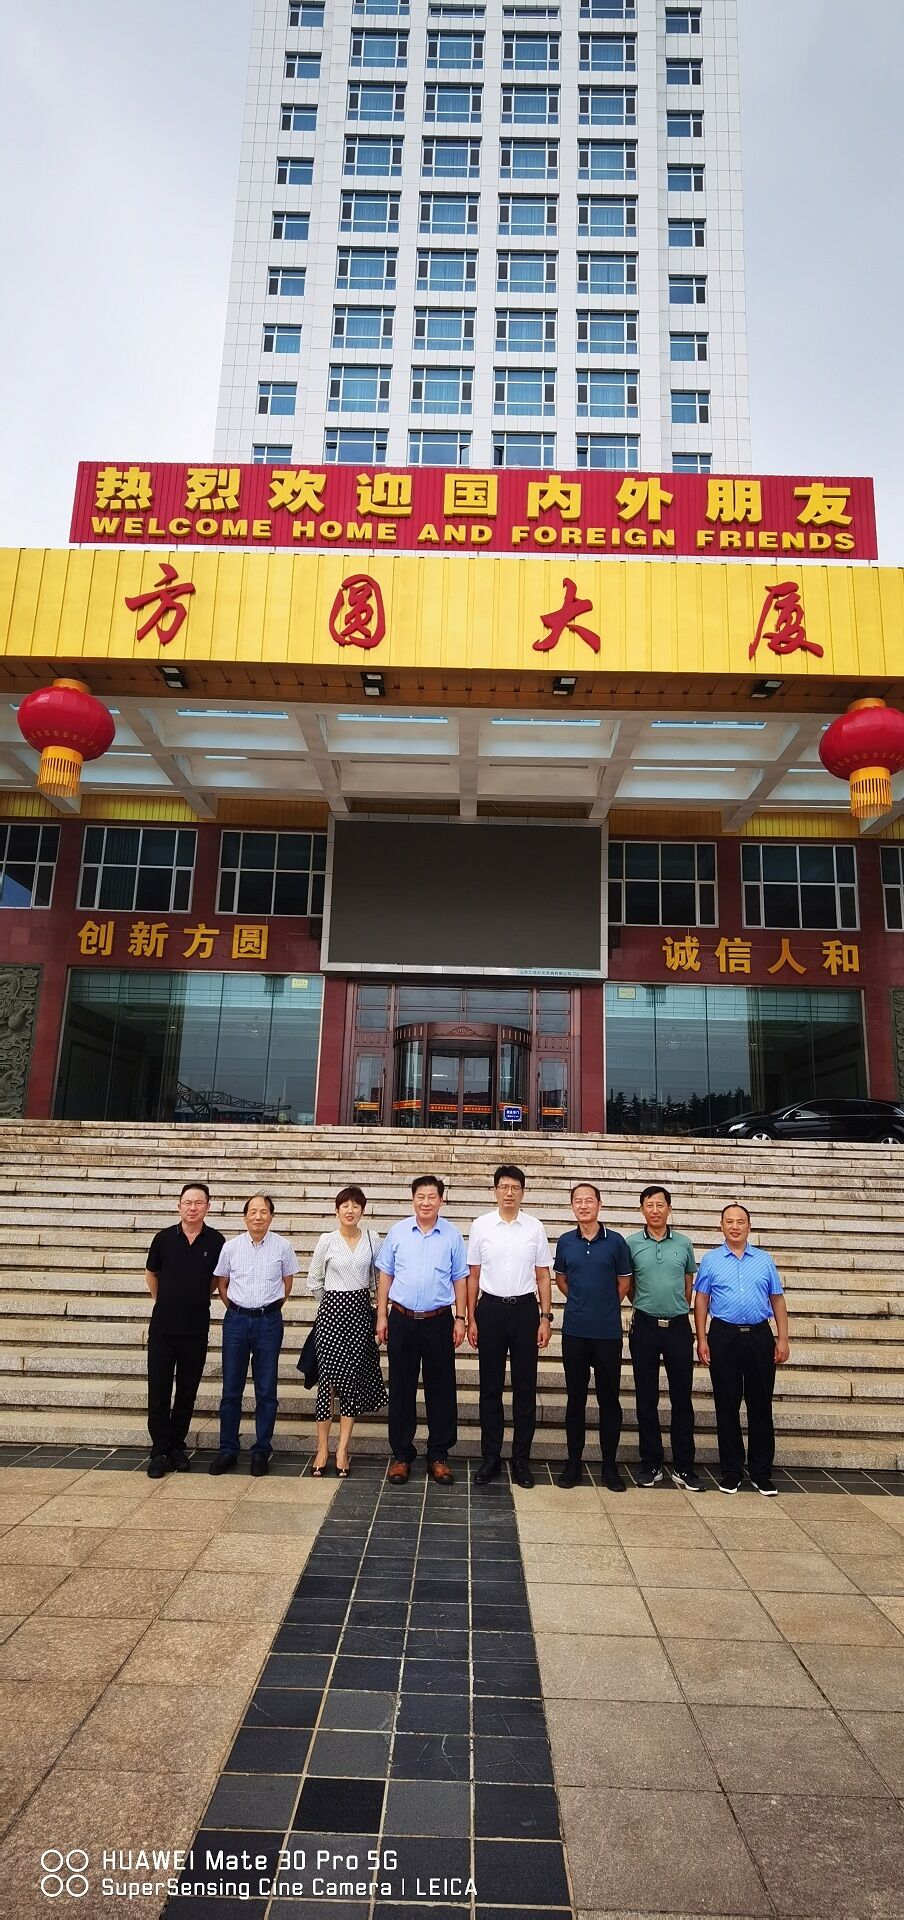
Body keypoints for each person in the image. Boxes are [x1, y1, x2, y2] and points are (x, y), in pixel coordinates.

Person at [375, 1173, 468, 1485]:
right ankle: (402, 1456)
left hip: (439, 1320)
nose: (426, 1202)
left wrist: (460, 1318)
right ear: (412, 1199)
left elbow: (460, 1278)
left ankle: (438, 1455)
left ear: (441, 1200)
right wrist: (382, 1315)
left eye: (432, 1197)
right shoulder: (398, 1232)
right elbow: (385, 1275)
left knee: (441, 1389)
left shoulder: (452, 1235)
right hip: (401, 1319)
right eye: (420, 1196)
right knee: (401, 1388)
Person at [694, 1201, 790, 1496]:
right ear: (721, 1226)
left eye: (740, 1221)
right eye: (729, 1221)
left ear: (749, 1226)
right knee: (727, 1405)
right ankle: (732, 1471)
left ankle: (761, 1472)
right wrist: (702, 1338)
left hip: (759, 1336)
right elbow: (701, 1299)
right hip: (724, 1336)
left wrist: (782, 1338)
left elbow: (777, 1299)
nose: (735, 1226)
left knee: (761, 1405)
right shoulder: (711, 1260)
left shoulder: (764, 1260)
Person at [466, 1164, 553, 1489]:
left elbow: (543, 1276)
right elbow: (473, 1275)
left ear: (523, 1192)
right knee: (490, 1387)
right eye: (503, 1187)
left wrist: (545, 1317)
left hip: (525, 1311)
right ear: (495, 1191)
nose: (509, 1193)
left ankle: (521, 1459)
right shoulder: (481, 1226)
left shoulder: (534, 1227)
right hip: (489, 1309)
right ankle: (491, 1456)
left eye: (515, 1187)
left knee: (524, 1387)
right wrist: (470, 1317)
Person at [208, 1194, 298, 1477]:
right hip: (236, 1321)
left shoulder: (283, 1246)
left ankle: (261, 1450)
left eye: (264, 1212)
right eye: (253, 1211)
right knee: (231, 1389)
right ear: (245, 1216)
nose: (258, 1216)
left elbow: (287, 1283)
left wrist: (268, 1309)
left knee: (266, 1390)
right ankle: (228, 1450)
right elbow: (222, 1283)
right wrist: (237, 1309)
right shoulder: (231, 1247)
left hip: (268, 1321)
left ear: (271, 1216)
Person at [553, 1182, 632, 1492]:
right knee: (575, 1399)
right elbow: (561, 1279)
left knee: (609, 1399)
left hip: (607, 1333)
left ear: (599, 1204)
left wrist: (604, 1305)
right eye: (578, 1201)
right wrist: (581, 1302)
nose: (583, 1206)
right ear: (572, 1206)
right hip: (574, 1331)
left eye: (589, 1201)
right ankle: (573, 1463)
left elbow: (624, 1283)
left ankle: (609, 1465)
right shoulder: (565, 1242)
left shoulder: (616, 1242)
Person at [143, 1182, 225, 1478]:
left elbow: (216, 1280)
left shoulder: (216, 1241)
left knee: (187, 1391)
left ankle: (177, 1446)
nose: (193, 1208)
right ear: (179, 1206)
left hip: (195, 1328)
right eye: (187, 1202)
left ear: (208, 1207)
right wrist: (164, 1301)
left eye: (199, 1203)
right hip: (163, 1329)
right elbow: (151, 1273)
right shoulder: (164, 1238)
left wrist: (196, 1298)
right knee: (159, 1390)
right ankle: (159, 1450)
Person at [627, 1185, 704, 1492]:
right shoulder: (632, 1243)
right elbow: (629, 1285)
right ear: (641, 1209)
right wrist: (644, 1304)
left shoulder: (683, 1243)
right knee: (646, 1397)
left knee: (681, 1397)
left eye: (660, 1205)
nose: (655, 1210)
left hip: (678, 1328)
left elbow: (688, 1283)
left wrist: (676, 1308)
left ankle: (684, 1465)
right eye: (649, 1205)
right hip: (644, 1326)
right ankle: (651, 1463)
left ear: (669, 1209)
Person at [306, 1184, 387, 1477]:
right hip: (331, 1315)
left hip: (360, 1315)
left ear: (362, 1210)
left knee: (352, 1380)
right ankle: (322, 1447)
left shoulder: (372, 1239)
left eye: (355, 1205)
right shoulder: (327, 1240)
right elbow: (313, 1279)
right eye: (345, 1205)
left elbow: (379, 1278)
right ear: (337, 1210)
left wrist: (379, 1312)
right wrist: (330, 1304)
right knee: (327, 1381)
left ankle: (342, 1448)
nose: (350, 1210)